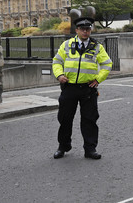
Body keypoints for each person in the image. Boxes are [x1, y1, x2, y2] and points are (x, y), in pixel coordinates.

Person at [52, 16, 113, 160]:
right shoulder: (67, 45)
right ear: (77, 30)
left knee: (89, 120)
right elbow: (56, 62)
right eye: (83, 29)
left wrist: (98, 79)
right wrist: (59, 75)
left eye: (88, 29)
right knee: (65, 119)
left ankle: (90, 149)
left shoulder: (97, 47)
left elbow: (107, 64)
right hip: (69, 88)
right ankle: (63, 146)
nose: (86, 32)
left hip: (88, 89)